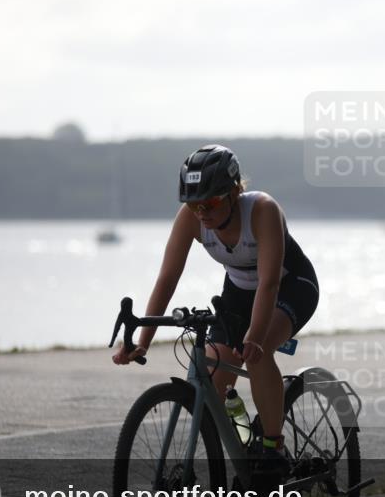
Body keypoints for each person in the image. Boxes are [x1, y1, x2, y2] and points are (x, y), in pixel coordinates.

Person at [112, 144, 319, 470]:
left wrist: (253, 335)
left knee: (259, 350)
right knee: (212, 370)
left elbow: (268, 284)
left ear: (234, 192)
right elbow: (167, 279)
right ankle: (244, 452)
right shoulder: (191, 219)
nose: (202, 213)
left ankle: (273, 447)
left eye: (209, 203)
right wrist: (143, 342)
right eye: (194, 205)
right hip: (238, 292)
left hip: (290, 287)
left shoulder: (263, 211)